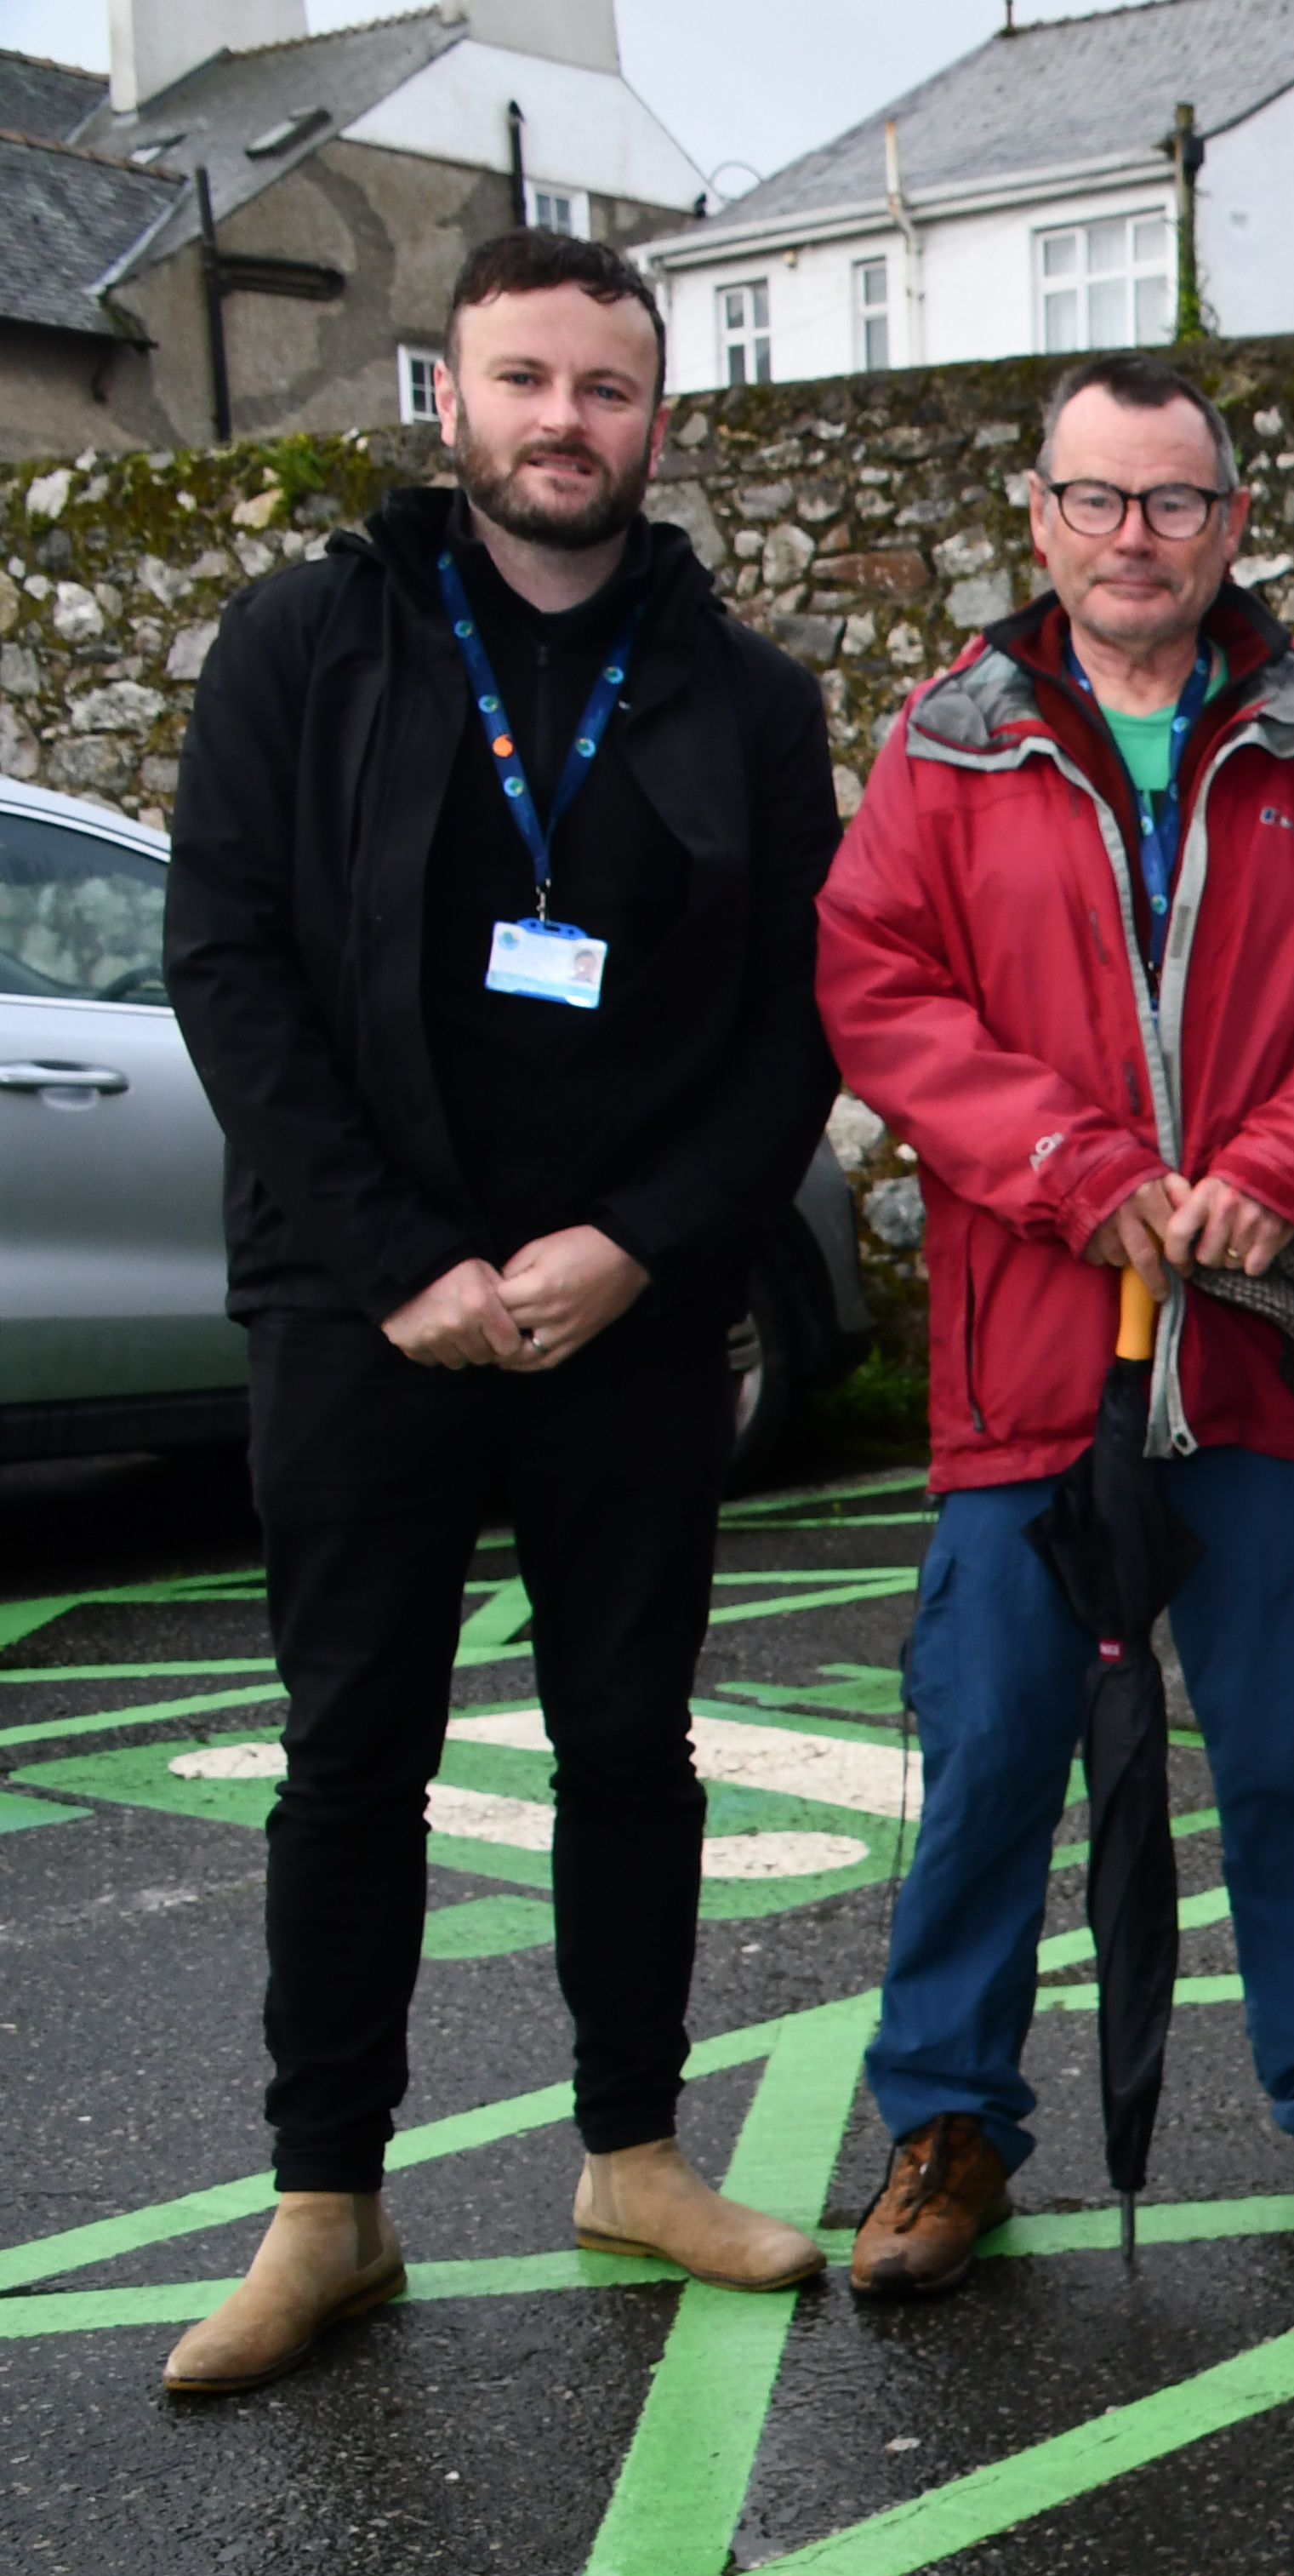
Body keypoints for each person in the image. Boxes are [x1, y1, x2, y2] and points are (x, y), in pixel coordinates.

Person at [157, 231, 841, 2392]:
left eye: (609, 386)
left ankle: (632, 2150)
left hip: (625, 1317)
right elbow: (231, 970)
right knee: (351, 1751)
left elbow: (790, 1026)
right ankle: (324, 2206)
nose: (568, 419)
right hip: (364, 1307)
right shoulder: (305, 641)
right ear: (446, 396)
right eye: (526, 378)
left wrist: (629, 1246)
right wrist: (401, 1265)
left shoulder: (744, 692)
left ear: (660, 417)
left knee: (628, 1748)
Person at [817, 353, 1294, 2294]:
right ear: (1039, 517)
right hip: (1033, 1356)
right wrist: (1065, 1158)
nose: (1134, 537)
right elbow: (879, 984)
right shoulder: (949, 744)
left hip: (1262, 1354)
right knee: (998, 1746)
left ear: (1230, 524)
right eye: (1097, 500)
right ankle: (945, 2123)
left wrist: (1282, 1160)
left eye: (1174, 502)